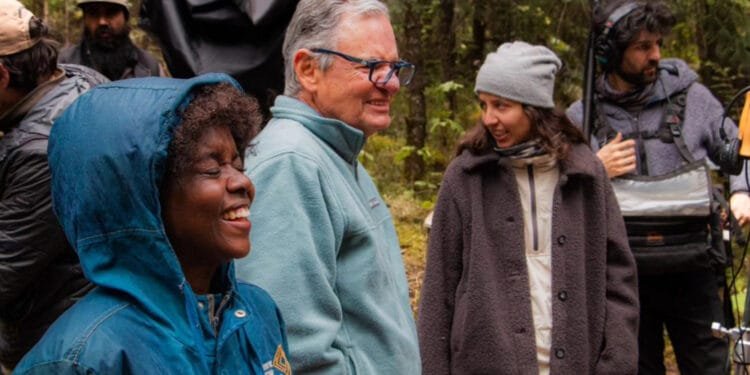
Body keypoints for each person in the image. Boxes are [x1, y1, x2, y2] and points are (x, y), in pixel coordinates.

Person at [13, 74, 290, 374]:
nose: (243, 182)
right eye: (212, 168)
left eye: (238, 164)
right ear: (142, 196)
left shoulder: (259, 311)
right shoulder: (84, 358)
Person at [418, 41, 640, 374]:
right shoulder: (465, 177)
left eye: (501, 105)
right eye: (484, 105)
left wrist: (617, 361)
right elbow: (439, 288)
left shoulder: (585, 174)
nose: (489, 118)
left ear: (534, 107)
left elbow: (618, 277)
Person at [234, 0, 420, 373]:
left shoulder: (337, 155)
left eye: (395, 67)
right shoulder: (291, 164)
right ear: (308, 70)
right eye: (372, 67)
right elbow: (293, 350)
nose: (393, 83)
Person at [566, 1, 750, 373]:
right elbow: (560, 191)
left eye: (657, 44)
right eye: (643, 47)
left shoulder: (692, 98)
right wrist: (594, 167)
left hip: (693, 266)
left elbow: (741, 151)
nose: (656, 55)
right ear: (611, 53)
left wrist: (742, 190)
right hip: (621, 273)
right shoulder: (582, 117)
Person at [0, 0, 106, 371]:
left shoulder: (41, 150)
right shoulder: (80, 79)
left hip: (56, 341)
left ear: (1, 75)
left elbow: (4, 270)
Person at [59, 0, 164, 81]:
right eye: (93, 13)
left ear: (125, 17)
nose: (102, 22)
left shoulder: (149, 66)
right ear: (85, 19)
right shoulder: (63, 65)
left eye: (111, 12)